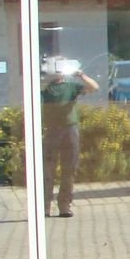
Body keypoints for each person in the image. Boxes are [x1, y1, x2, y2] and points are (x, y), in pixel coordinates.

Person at [39, 57, 98, 217]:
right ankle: (44, 207)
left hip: (70, 130)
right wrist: (44, 75)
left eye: (60, 67)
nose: (57, 70)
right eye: (54, 67)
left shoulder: (71, 86)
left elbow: (94, 87)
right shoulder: (45, 88)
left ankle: (64, 206)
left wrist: (80, 74)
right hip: (52, 130)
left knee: (69, 169)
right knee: (48, 170)